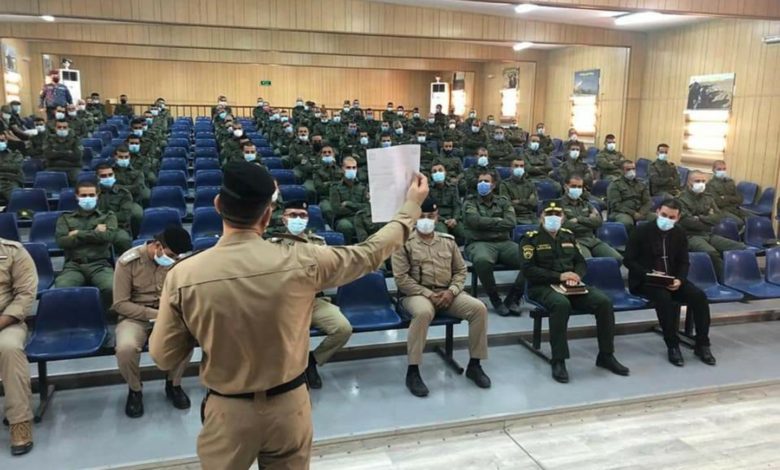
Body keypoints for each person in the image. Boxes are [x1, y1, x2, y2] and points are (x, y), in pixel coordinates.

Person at [148, 161, 428, 469]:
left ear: (218, 205)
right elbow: (369, 253)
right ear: (267, 215)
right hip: (289, 406)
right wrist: (410, 208)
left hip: (228, 411)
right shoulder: (302, 259)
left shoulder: (184, 276)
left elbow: (164, 357)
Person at [521, 201, 629, 383]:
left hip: (571, 284)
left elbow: (580, 262)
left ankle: (606, 355)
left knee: (603, 302)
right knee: (561, 304)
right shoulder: (530, 239)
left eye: (557, 214)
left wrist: (576, 275)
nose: (553, 218)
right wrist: (559, 276)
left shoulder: (568, 236)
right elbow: (528, 270)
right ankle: (559, 359)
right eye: (549, 214)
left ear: (563, 217)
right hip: (542, 287)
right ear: (541, 217)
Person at [392, 197, 490, 397]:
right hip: (416, 294)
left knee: (478, 309)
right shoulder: (403, 243)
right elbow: (401, 279)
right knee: (423, 312)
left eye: (431, 216)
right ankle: (413, 371)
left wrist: (452, 291)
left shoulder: (448, 241)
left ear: (437, 217)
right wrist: (429, 294)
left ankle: (475, 364)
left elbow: (461, 270)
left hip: (447, 292)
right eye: (422, 216)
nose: (426, 220)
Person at [269, 201, 353, 388]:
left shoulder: (318, 243)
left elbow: (328, 273)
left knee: (342, 328)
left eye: (302, 215)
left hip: (312, 299)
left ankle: (312, 361)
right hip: (283, 303)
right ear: (283, 218)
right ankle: (288, 370)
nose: (298, 219)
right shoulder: (272, 244)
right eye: (293, 215)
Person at [624, 199, 716, 367]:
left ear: (678, 218)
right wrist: (648, 274)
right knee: (663, 298)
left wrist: (679, 279)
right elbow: (628, 260)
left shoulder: (679, 233)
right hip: (646, 281)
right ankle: (672, 345)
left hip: (673, 279)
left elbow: (684, 262)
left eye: (671, 217)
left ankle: (702, 343)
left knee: (699, 296)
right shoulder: (641, 231)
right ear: (657, 212)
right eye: (664, 215)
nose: (667, 219)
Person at [113, 227, 194, 418]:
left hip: (169, 313)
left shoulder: (178, 261)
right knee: (125, 348)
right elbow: (120, 304)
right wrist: (156, 314)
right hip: (135, 316)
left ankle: (173, 384)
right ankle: (135, 390)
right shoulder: (128, 262)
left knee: (186, 338)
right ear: (157, 246)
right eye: (171, 255)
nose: (173, 260)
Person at [463, 172, 524, 316]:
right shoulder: (470, 202)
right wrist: (498, 222)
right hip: (479, 243)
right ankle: (495, 300)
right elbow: (474, 222)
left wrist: (486, 224)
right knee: (482, 260)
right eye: (480, 181)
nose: (482, 184)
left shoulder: (503, 201)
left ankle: (513, 298)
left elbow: (511, 223)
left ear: (493, 185)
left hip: (504, 242)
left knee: (530, 258)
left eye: (486, 181)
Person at [55, 180, 117, 311]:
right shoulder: (65, 218)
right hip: (74, 265)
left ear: (97, 195)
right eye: (83, 195)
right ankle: (76, 316)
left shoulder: (108, 216)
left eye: (91, 195)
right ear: (77, 196)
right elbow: (62, 242)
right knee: (62, 288)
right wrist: (95, 233)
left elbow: (108, 237)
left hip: (100, 265)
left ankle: (103, 316)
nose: (87, 198)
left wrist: (77, 233)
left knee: (112, 287)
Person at [0, 238, 37, 455]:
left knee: (10, 348)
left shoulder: (13, 252)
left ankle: (19, 422)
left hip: (6, 322)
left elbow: (25, 296)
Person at [678, 171, 745, 279]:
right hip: (690, 236)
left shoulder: (708, 197)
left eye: (703, 181)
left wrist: (700, 218)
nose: (701, 184)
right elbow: (687, 221)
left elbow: (718, 217)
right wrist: (709, 222)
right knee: (711, 252)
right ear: (688, 182)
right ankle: (725, 279)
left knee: (740, 247)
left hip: (708, 234)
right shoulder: (681, 199)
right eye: (697, 181)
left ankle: (739, 275)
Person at [560, 175, 622, 261]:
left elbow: (599, 222)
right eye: (573, 186)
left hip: (592, 240)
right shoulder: (559, 205)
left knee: (617, 258)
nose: (577, 189)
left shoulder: (586, 204)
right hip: (575, 240)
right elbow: (566, 225)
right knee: (587, 262)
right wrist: (590, 223)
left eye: (579, 187)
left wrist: (579, 219)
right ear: (565, 186)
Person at [96, 164, 140, 254]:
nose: (107, 178)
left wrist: (105, 220)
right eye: (103, 176)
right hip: (95, 226)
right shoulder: (91, 193)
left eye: (110, 175)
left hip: (118, 227)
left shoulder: (123, 193)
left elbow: (124, 216)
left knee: (123, 240)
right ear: (97, 177)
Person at [330, 156, 369, 243]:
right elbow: (337, 209)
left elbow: (366, 207)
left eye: (354, 168)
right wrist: (357, 208)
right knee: (345, 226)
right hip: (344, 219)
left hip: (361, 218)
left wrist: (348, 204)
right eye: (348, 167)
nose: (351, 170)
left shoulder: (363, 187)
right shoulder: (335, 187)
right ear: (343, 169)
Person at [607, 160, 652, 234]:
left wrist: (641, 213)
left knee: (655, 219)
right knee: (626, 223)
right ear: (622, 171)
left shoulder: (641, 183)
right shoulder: (615, 184)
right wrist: (633, 213)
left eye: (633, 169)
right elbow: (616, 205)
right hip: (622, 212)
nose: (631, 171)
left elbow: (647, 201)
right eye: (628, 169)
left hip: (640, 211)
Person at [428, 163, 465, 242]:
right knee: (444, 237)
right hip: (438, 219)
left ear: (445, 172)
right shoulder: (429, 189)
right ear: (431, 175)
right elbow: (430, 211)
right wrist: (444, 220)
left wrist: (455, 219)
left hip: (452, 218)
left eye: (440, 170)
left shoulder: (452, 187)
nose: (437, 173)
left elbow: (457, 206)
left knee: (465, 234)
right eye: (434, 171)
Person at [705, 160, 747, 228]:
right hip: (722, 211)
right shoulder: (710, 185)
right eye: (719, 169)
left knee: (752, 219)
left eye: (724, 169)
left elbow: (740, 199)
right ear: (713, 170)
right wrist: (733, 199)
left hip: (735, 208)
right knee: (740, 223)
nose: (722, 171)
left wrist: (726, 198)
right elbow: (719, 203)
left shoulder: (730, 182)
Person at [42, 119, 83, 186]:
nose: (62, 129)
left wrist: (56, 152)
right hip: (53, 167)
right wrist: (68, 152)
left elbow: (77, 156)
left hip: (73, 167)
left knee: (77, 179)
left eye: (64, 127)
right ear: (55, 128)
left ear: (68, 128)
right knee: (44, 180)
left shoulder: (76, 139)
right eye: (59, 127)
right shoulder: (49, 139)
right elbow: (48, 155)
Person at [499, 158, 538, 225]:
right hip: (513, 216)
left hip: (530, 216)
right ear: (511, 168)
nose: (519, 168)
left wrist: (519, 201)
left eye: (521, 166)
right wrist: (527, 202)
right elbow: (507, 204)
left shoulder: (530, 184)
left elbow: (534, 203)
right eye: (516, 166)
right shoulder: (504, 184)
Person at [0, 133, 24, 205]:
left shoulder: (15, 154)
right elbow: (9, 167)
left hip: (9, 182)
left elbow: (15, 168)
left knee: (18, 200)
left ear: (6, 141)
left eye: (2, 140)